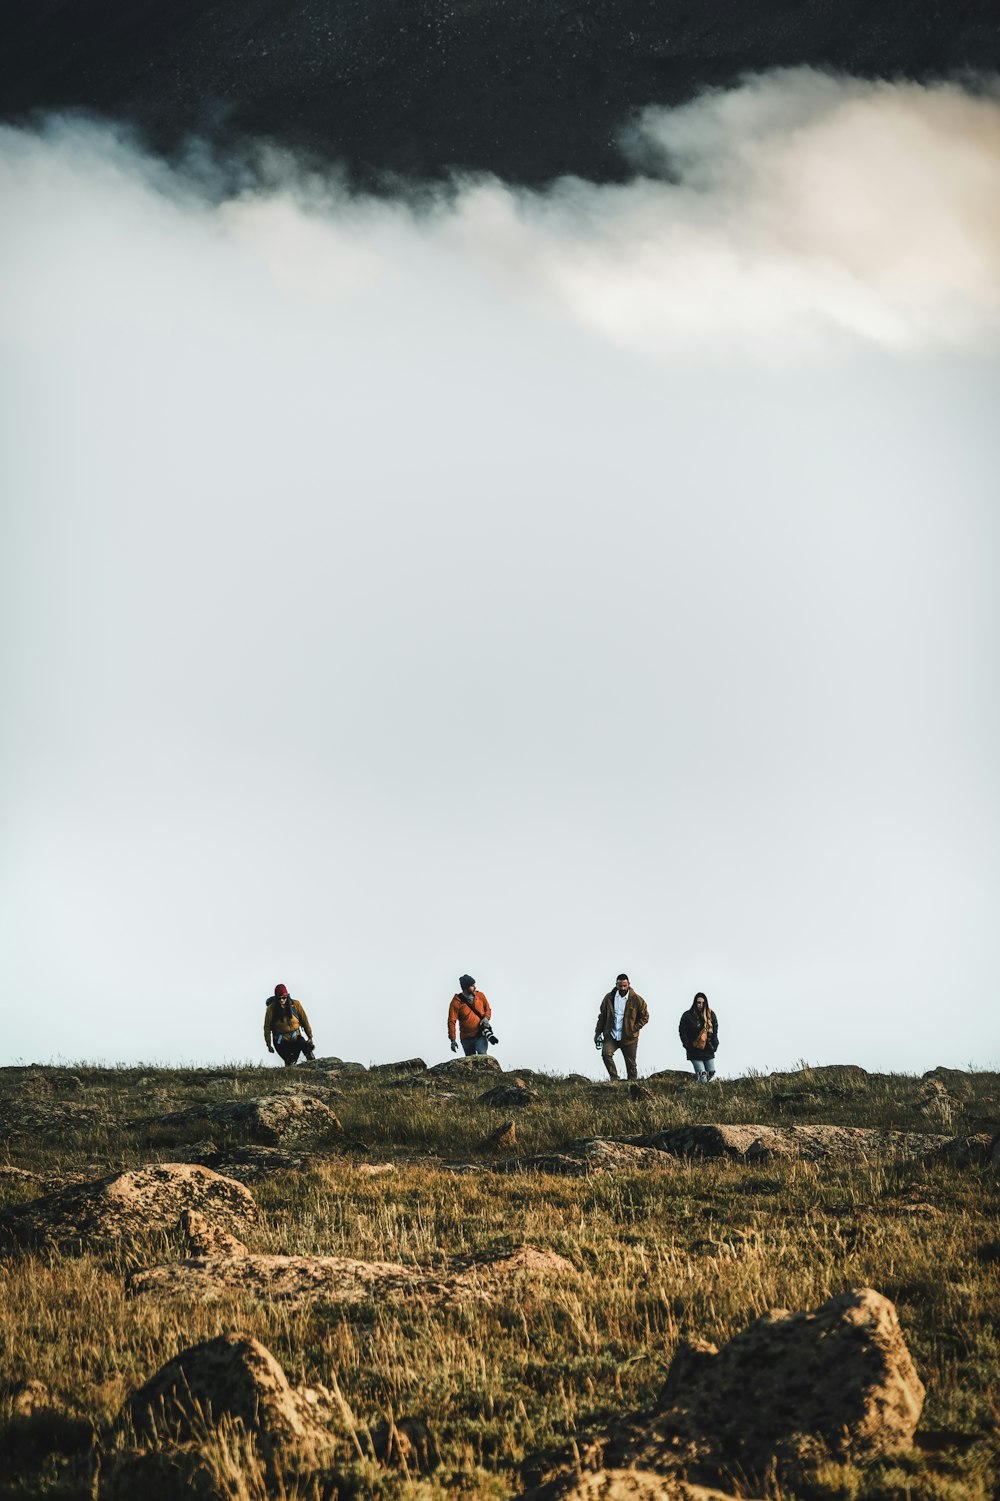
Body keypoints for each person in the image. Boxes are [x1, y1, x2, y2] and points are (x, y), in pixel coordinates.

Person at [594, 973, 649, 1081]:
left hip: (629, 1037)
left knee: (631, 1064)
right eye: (620, 986)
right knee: (606, 1054)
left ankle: (632, 1085)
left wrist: (634, 1028)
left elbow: (645, 1016)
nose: (623, 988)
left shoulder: (637, 999)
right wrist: (597, 1033)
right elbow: (602, 1016)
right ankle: (615, 1079)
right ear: (616, 985)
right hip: (612, 1035)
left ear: (629, 984)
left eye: (625, 985)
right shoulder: (609, 998)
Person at [264, 983, 316, 1066]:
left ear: (287, 996)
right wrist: (269, 1044)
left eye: (284, 998)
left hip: (295, 1039)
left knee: (306, 1049)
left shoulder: (296, 1005)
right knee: (290, 1062)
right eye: (279, 998)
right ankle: (291, 1070)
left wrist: (310, 1036)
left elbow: (304, 1020)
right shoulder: (271, 1009)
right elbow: (267, 1027)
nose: (281, 1000)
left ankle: (312, 1062)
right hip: (281, 1042)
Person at [447, 974, 492, 1056]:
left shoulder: (480, 995)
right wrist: (453, 1040)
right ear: (465, 987)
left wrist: (486, 1018)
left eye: (474, 985)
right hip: (466, 1038)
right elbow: (451, 1021)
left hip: (480, 1034)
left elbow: (488, 1009)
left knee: (482, 1056)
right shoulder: (456, 1002)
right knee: (471, 1063)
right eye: (472, 986)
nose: (475, 987)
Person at [679, 992, 719, 1081]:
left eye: (703, 1003)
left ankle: (697, 1088)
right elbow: (682, 1032)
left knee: (711, 1072)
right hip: (694, 1051)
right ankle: (700, 1089)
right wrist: (688, 1046)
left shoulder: (711, 1014)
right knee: (702, 1075)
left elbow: (715, 1030)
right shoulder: (687, 1016)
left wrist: (715, 1044)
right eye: (699, 1002)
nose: (701, 1005)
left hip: (708, 1050)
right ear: (695, 1003)